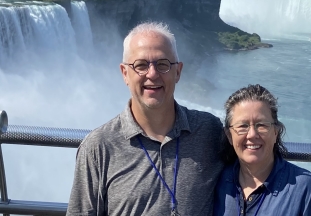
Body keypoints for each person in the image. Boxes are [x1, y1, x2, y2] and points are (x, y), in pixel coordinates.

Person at [66, 21, 223, 216]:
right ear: (125, 73)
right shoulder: (99, 147)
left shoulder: (209, 130)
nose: (152, 74)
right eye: (140, 65)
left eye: (163, 64)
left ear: (178, 72)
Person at [214, 84, 311, 216]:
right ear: (229, 136)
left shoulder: (304, 187)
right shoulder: (215, 181)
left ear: (276, 132)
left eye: (262, 125)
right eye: (243, 126)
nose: (252, 134)